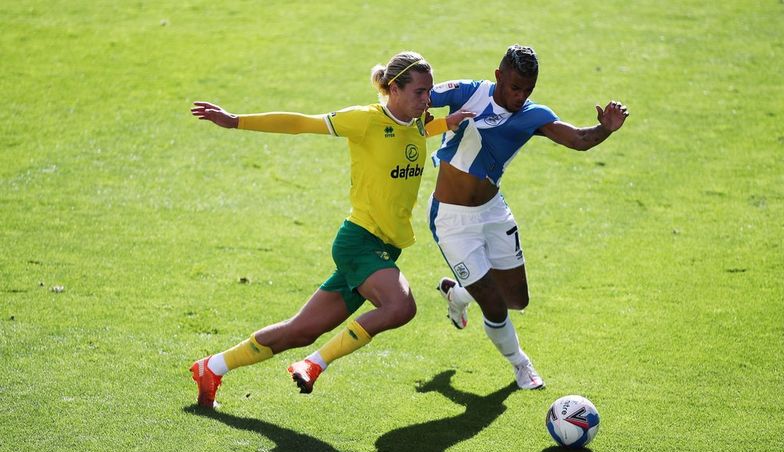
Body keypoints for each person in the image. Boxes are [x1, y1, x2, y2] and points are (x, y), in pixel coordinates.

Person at [188, 52, 473, 407]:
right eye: (419, 91)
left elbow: (416, 134)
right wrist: (236, 121)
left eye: (429, 91)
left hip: (383, 245)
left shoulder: (415, 122)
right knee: (400, 307)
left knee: (301, 330)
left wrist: (448, 123)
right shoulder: (364, 120)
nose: (427, 100)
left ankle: (211, 367)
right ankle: (314, 364)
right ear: (393, 88)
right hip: (359, 242)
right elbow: (301, 123)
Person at [426, 44, 629, 390]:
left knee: (516, 299)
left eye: (528, 90)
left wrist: (605, 129)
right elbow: (419, 97)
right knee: (493, 302)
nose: (520, 96)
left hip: (493, 213)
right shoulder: (467, 92)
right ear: (499, 76)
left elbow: (579, 140)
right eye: (515, 87)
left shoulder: (532, 116)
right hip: (452, 220)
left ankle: (458, 294)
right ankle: (521, 365)